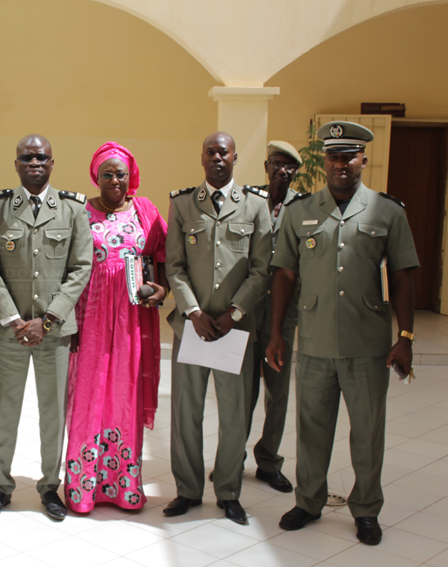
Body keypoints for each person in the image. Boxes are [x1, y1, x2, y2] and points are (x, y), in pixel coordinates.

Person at [267, 121, 419, 546]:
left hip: (367, 344)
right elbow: (284, 275)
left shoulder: (388, 211)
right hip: (314, 341)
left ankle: (366, 508)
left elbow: (404, 276)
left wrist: (405, 335)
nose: (340, 163)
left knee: (367, 432)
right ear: (326, 161)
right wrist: (277, 332)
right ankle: (309, 501)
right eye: (334, 155)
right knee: (312, 428)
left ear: (362, 160)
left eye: (349, 155)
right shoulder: (301, 211)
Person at [0, 134, 93, 521]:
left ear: (52, 163)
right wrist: (14, 319)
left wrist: (47, 321)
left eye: (41, 157)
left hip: (54, 331)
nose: (34, 163)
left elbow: (81, 268)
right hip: (11, 331)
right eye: (27, 157)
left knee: (52, 411)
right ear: (16, 164)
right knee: (3, 409)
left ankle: (49, 486)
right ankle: (1, 487)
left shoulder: (73, 209)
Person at [163, 131, 271, 526]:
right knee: (185, 414)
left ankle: (228, 492)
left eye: (223, 152)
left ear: (235, 157)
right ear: (202, 158)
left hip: (234, 331)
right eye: (210, 151)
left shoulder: (256, 206)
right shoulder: (182, 203)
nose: (217, 157)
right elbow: (174, 266)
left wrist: (234, 313)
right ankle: (188, 490)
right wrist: (193, 312)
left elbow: (261, 270)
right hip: (192, 327)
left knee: (234, 416)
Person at [64, 142, 167, 513]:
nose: (114, 180)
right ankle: (83, 488)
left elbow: (161, 256)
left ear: (130, 176)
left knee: (124, 395)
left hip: (131, 320)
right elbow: (69, 267)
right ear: (96, 175)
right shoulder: (81, 211)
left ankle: (124, 486)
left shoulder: (146, 211)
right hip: (90, 318)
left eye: (120, 173)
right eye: (107, 173)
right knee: (90, 395)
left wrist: (162, 288)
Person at [244, 141, 303, 494]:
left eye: (289, 167)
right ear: (266, 167)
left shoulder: (304, 206)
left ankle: (268, 461)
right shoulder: (250, 201)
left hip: (284, 313)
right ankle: (232, 458)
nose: (282, 171)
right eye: (277, 164)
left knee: (277, 394)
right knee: (242, 391)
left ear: (295, 172)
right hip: (250, 312)